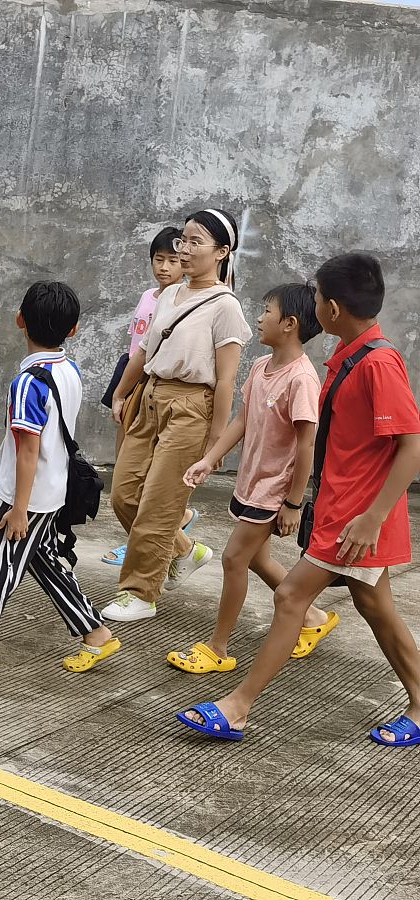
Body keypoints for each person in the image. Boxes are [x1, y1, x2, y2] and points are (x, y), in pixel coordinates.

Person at [177, 253, 420, 744]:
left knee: (290, 596)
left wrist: (372, 517)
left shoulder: (378, 363)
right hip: (343, 512)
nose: (311, 306)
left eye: (315, 297)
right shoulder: (350, 357)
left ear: (331, 308)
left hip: (357, 518)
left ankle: (239, 705)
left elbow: (412, 444)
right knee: (375, 608)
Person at [0, 282, 122, 683]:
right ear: (74, 330)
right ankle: (96, 633)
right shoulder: (68, 370)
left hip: (24, 498)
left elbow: (28, 452)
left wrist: (17, 510)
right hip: (51, 490)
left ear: (20, 321)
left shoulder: (28, 383)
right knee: (42, 560)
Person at [170, 283, 334, 674]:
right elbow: (244, 419)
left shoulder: (302, 380)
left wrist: (293, 503)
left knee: (234, 558)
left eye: (267, 310)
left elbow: (306, 446)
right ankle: (313, 618)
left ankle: (218, 647)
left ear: (290, 323)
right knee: (257, 560)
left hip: (273, 489)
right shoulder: (262, 367)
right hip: (249, 481)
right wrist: (210, 459)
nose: (259, 318)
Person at [102, 209, 252, 622]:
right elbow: (145, 353)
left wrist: (215, 443)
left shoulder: (226, 307)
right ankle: (186, 550)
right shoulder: (168, 295)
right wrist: (120, 392)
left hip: (191, 408)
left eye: (195, 242)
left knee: (159, 505)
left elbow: (226, 381)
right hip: (150, 397)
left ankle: (139, 593)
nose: (184, 251)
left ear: (222, 252)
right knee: (124, 494)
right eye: (183, 240)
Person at [101, 226, 198, 567]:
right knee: (124, 467)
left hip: (154, 383)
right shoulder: (148, 297)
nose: (165, 267)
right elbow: (136, 347)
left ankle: (164, 538)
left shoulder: (186, 301)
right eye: (159, 260)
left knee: (143, 471)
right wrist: (121, 390)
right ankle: (154, 533)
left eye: (173, 260)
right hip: (130, 375)